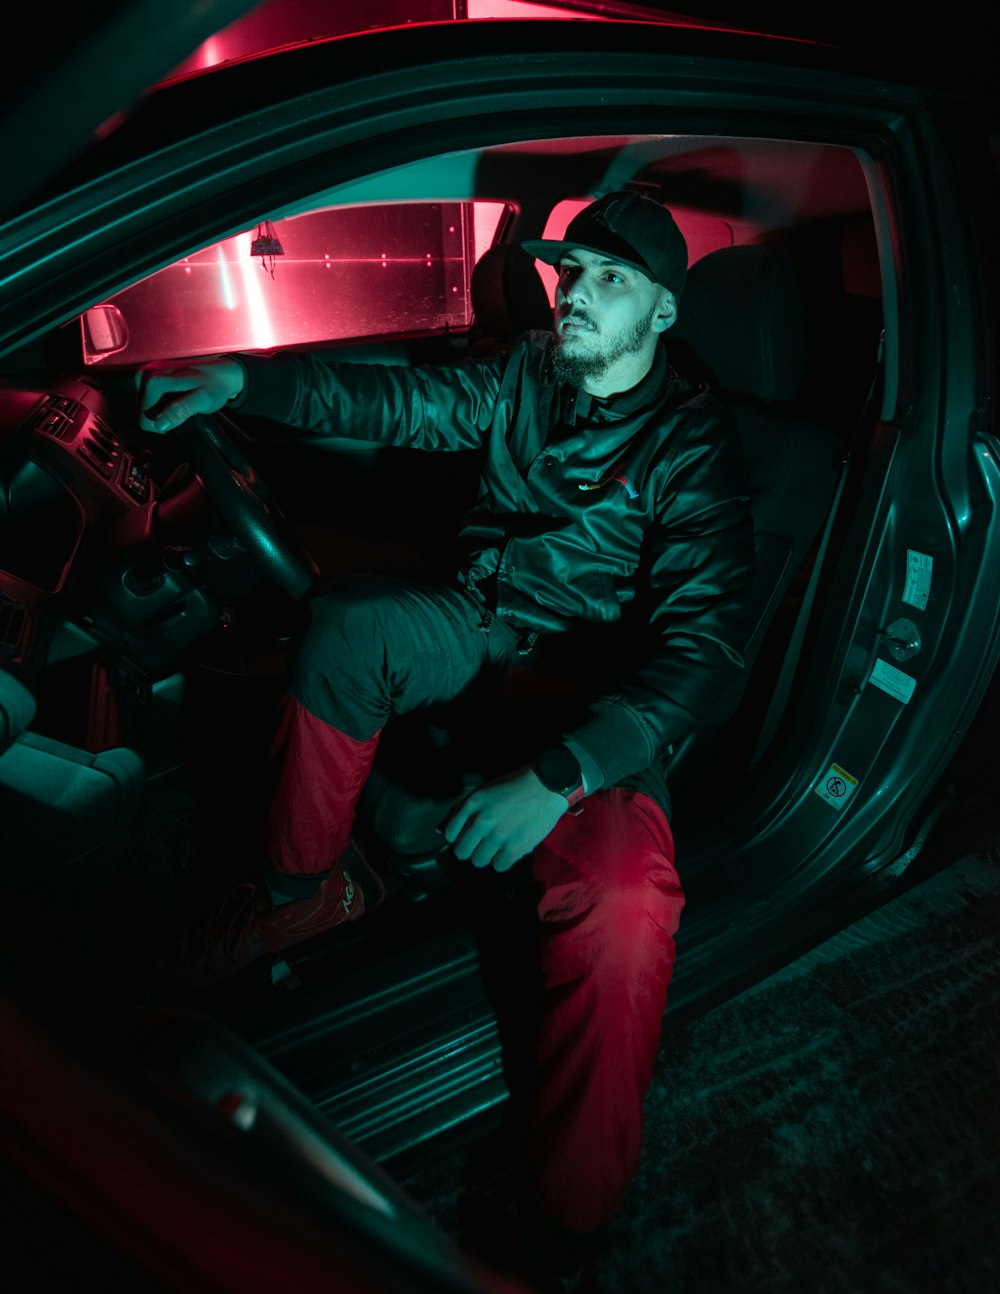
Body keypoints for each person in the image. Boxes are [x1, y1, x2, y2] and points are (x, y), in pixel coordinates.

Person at [135, 190, 756, 1290]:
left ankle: (572, 1218)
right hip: (477, 626)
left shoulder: (692, 448)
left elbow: (703, 655)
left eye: (610, 281)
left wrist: (558, 774)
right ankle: (301, 892)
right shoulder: (526, 371)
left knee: (622, 901)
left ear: (663, 315)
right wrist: (247, 380)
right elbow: (402, 403)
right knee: (347, 625)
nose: (576, 294)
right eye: (573, 274)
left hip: (589, 699)